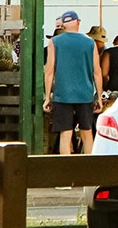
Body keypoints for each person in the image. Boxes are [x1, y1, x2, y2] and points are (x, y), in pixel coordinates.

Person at [42, 10, 103, 155]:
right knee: (87, 133)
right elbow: (97, 72)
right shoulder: (90, 42)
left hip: (62, 94)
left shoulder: (54, 42)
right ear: (78, 22)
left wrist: (47, 97)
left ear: (63, 25)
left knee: (65, 134)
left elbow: (49, 72)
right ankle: (88, 168)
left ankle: (66, 170)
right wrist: (99, 96)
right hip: (85, 94)